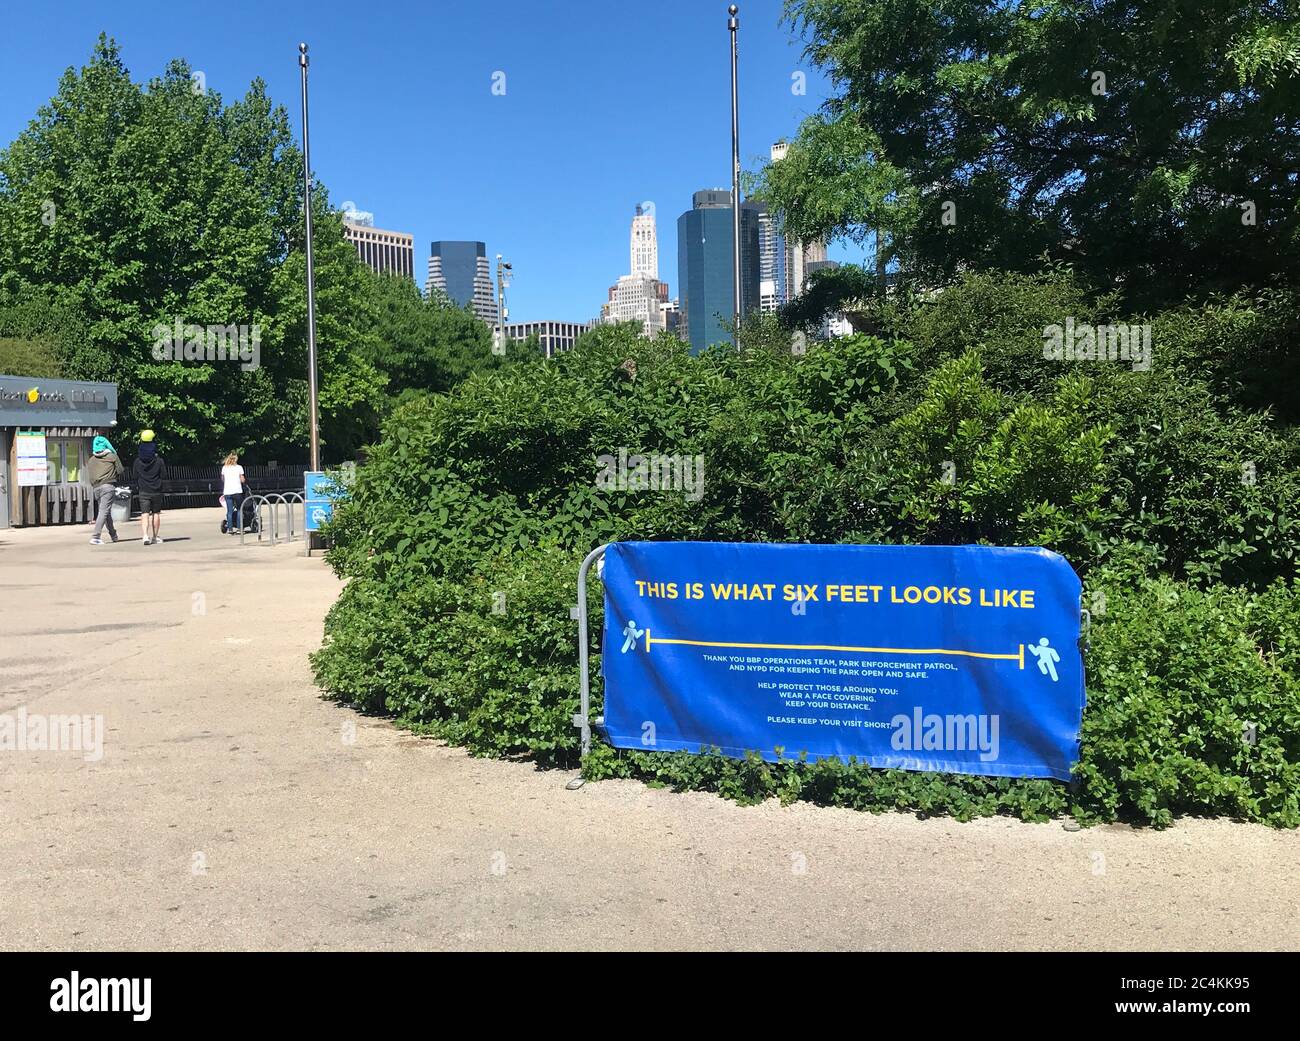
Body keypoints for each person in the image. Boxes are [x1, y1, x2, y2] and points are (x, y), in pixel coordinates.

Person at [87, 434, 124, 545]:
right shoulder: (112, 456)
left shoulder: (91, 460)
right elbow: (121, 470)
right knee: (103, 511)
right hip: (108, 486)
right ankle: (95, 536)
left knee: (105, 512)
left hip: (96, 488)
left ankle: (113, 535)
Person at [132, 430, 167, 546]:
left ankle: (145, 536)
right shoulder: (159, 461)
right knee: (156, 513)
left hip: (143, 490)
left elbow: (135, 476)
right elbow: (163, 475)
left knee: (144, 513)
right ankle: (155, 537)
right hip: (156, 490)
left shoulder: (137, 461)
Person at [221, 452, 247, 534]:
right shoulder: (239, 467)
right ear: (236, 459)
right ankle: (239, 528)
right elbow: (242, 480)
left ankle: (230, 529)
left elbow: (223, 478)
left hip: (227, 491)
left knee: (229, 511)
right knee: (239, 509)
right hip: (237, 491)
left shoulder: (224, 468)